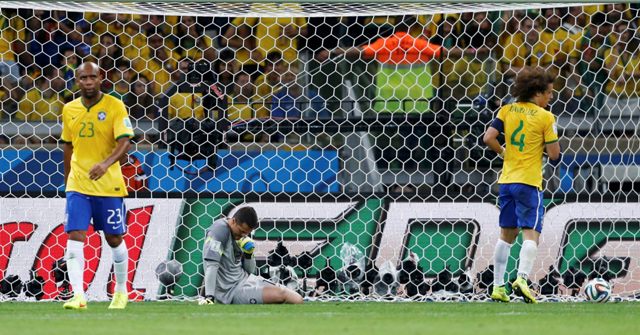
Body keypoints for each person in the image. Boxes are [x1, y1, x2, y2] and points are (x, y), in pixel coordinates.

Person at [482, 67, 561, 304]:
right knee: (531, 233)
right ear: (537, 92)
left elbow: (488, 138)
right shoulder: (546, 117)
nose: (550, 97)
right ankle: (522, 279)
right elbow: (554, 154)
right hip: (529, 182)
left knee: (506, 234)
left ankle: (497, 286)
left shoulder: (506, 110)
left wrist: (504, 151)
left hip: (506, 182)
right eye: (548, 93)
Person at [60, 62, 134, 310]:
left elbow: (125, 141)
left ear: (101, 78)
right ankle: (79, 296)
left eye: (92, 77)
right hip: (78, 185)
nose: (88, 82)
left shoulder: (115, 105)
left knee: (114, 238)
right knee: (75, 236)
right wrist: (67, 181)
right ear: (77, 80)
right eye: (83, 78)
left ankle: (121, 291)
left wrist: (106, 163)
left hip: (108, 185)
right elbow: (67, 146)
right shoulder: (69, 109)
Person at [200, 206, 303, 305]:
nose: (242, 235)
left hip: (246, 280)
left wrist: (249, 254)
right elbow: (211, 266)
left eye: (246, 233)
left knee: (297, 299)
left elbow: (250, 271)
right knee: (285, 295)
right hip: (233, 292)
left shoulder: (239, 235)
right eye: (241, 231)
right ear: (234, 221)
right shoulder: (218, 231)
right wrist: (209, 297)